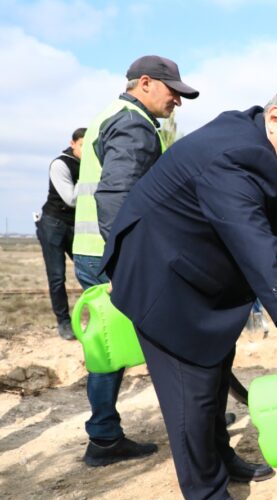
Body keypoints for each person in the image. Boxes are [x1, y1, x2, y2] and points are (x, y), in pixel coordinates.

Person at [100, 81, 277, 500]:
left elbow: (276, 230)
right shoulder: (231, 156)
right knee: (192, 390)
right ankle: (203, 496)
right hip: (165, 280)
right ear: (275, 118)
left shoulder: (274, 153)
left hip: (202, 275)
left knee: (217, 369)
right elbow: (256, 246)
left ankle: (220, 457)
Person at [72, 55, 198, 467]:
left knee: (109, 345)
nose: (177, 101)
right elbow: (115, 196)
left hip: (94, 251)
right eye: (172, 91)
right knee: (142, 341)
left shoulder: (111, 114)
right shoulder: (132, 123)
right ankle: (191, 424)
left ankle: (106, 435)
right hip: (109, 256)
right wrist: (120, 262)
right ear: (145, 83)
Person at [37, 127, 85, 340]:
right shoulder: (60, 164)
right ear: (73, 143)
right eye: (83, 145)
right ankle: (63, 322)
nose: (87, 150)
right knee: (57, 277)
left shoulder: (91, 164)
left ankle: (100, 317)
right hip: (53, 224)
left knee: (89, 270)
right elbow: (71, 199)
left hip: (77, 225)